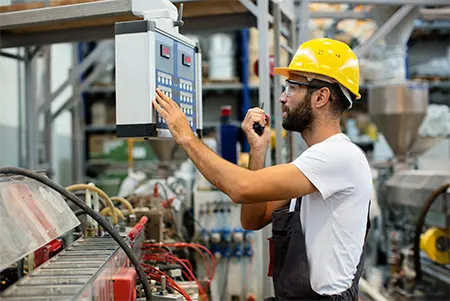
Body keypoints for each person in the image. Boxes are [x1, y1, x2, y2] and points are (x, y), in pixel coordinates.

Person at [153, 38, 373, 301]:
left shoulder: (338, 156)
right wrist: (258, 151)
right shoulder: (315, 164)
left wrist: (186, 136)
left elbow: (240, 188)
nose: (282, 97)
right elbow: (253, 219)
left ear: (321, 97)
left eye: (292, 87)